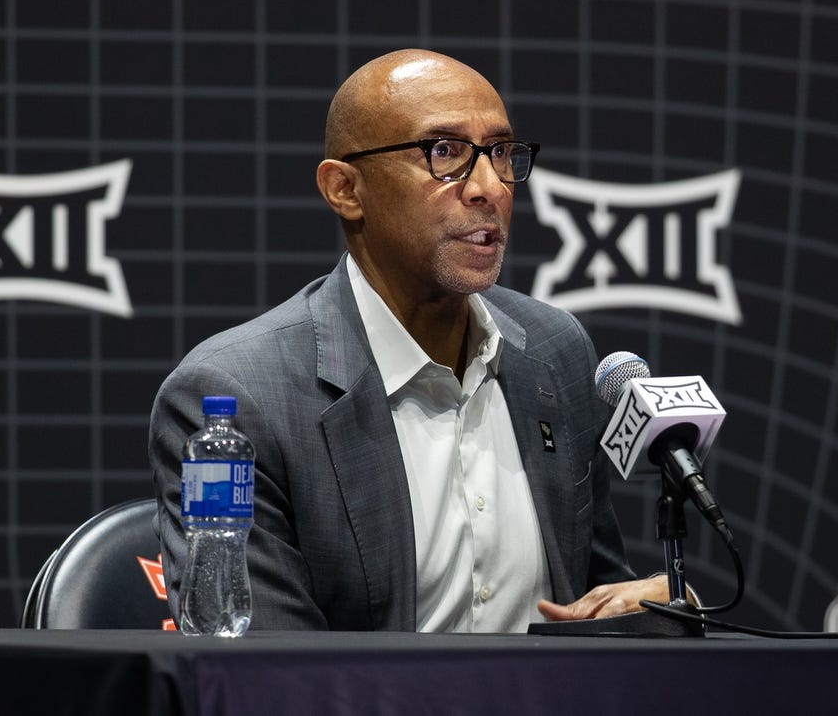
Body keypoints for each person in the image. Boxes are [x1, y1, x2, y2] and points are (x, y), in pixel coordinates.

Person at [149, 48, 672, 632]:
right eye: (444, 153)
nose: (488, 187)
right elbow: (267, 666)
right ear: (345, 188)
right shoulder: (240, 398)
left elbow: (592, 594)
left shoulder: (553, 351)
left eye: (500, 153)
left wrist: (647, 610)